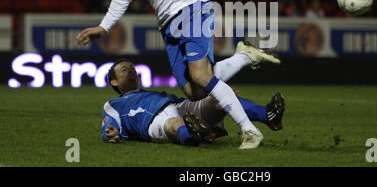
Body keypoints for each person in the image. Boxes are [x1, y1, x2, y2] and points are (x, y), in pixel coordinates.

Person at [76, 0, 281, 149]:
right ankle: (245, 56)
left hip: (193, 8)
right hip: (167, 25)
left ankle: (250, 131)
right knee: (194, 92)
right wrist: (104, 27)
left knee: (200, 75)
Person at [102, 59, 286, 146]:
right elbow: (109, 129)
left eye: (133, 68)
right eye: (125, 70)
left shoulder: (152, 93)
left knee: (219, 98)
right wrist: (110, 133)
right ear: (114, 82)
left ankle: (269, 115)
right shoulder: (113, 104)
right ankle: (195, 134)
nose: (132, 71)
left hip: (180, 106)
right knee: (175, 124)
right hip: (152, 121)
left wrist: (223, 95)